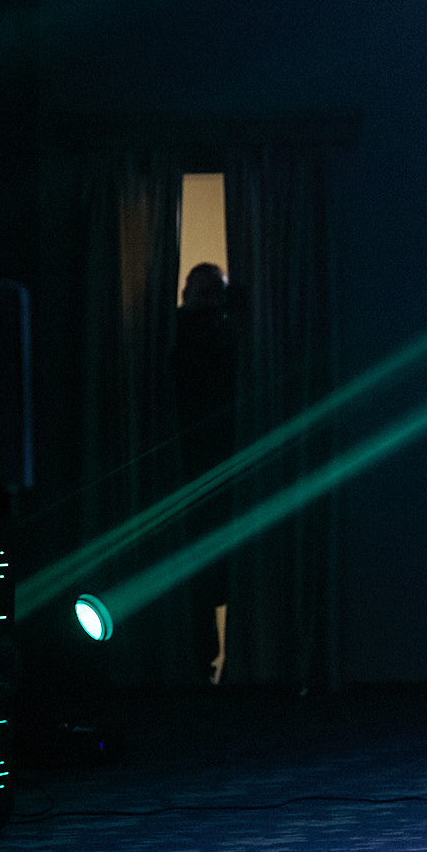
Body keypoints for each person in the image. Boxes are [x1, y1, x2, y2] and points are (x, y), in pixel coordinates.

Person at [173, 262, 238, 685]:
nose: (209, 301)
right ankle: (200, 661)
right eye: (203, 292)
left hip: (221, 460)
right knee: (197, 570)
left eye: (216, 293)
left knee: (216, 569)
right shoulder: (177, 331)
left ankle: (207, 661)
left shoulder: (231, 332)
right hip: (190, 460)